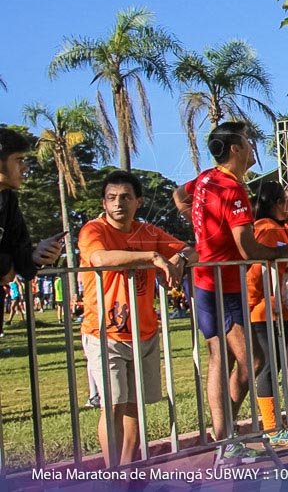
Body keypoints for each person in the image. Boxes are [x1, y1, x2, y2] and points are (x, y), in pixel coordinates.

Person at [173, 121, 288, 462]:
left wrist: (203, 233)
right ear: (235, 149)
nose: (254, 147)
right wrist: (281, 252)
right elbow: (247, 248)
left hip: (208, 281)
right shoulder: (231, 187)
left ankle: (225, 440)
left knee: (220, 359)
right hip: (221, 285)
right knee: (253, 359)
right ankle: (226, 439)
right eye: (248, 142)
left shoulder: (206, 179)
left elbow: (179, 196)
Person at [78, 170, 192, 468]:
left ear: (138, 201)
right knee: (112, 405)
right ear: (103, 202)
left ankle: (128, 473)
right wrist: (152, 258)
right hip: (105, 333)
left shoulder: (148, 232)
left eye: (126, 197)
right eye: (112, 197)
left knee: (135, 408)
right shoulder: (93, 230)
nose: (119, 203)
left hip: (144, 333)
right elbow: (100, 259)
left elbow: (189, 248)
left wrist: (180, 258)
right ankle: (111, 471)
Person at [248, 181, 288, 445]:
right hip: (265, 312)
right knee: (270, 366)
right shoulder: (266, 230)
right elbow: (256, 273)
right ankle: (272, 427)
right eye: (284, 201)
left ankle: (282, 423)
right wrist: (252, 303)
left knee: (279, 364)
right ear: (275, 204)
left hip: (280, 311)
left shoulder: (280, 228)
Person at [0, 127, 64, 288]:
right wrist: (5, 266)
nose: (25, 168)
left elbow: (18, 252)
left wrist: (37, 256)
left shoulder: (7, 200)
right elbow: (7, 268)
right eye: (19, 160)